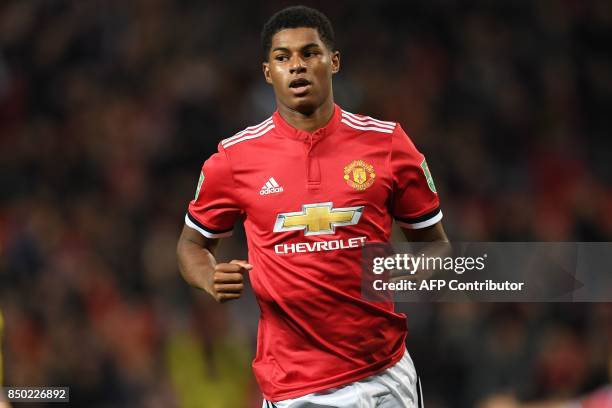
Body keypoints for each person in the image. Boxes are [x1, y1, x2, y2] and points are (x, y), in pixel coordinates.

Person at [176, 5, 448, 407]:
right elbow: (190, 245)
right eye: (283, 58)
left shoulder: (388, 145)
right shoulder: (233, 160)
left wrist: (400, 273)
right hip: (292, 389)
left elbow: (436, 245)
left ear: (333, 61)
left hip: (383, 377)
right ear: (268, 72)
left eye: (309, 53)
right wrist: (209, 277)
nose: (297, 67)